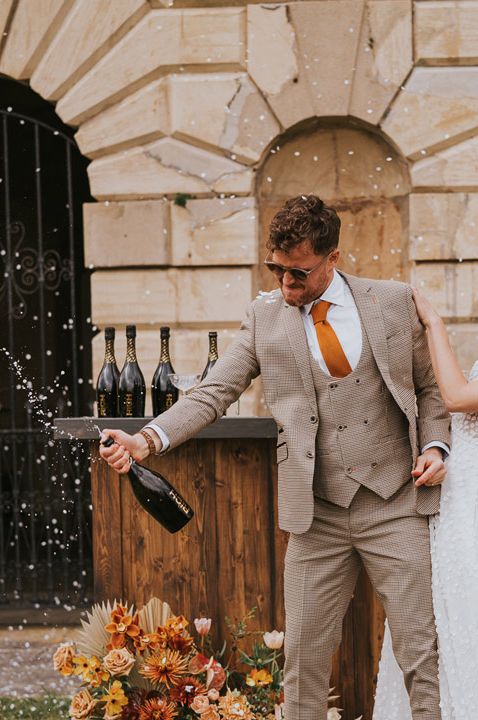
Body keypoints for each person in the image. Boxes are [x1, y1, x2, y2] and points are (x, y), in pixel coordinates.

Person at [99, 195, 450, 720]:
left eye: (299, 272)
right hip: (317, 515)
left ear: (333, 256)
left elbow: (431, 389)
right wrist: (146, 440)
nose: (286, 282)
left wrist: (434, 446)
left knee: (421, 654)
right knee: (303, 663)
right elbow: (211, 393)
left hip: (394, 502)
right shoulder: (265, 318)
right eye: (277, 269)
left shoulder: (392, 302)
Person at [373, 288, 478, 720]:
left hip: (468, 506)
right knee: (436, 612)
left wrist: (434, 321)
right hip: (456, 495)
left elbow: (454, 396)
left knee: (460, 614)